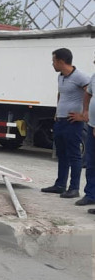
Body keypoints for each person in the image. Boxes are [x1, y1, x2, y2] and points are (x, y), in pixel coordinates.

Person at [41, 48, 91, 198]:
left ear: (61, 61)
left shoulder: (80, 77)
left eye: (54, 61)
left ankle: (74, 188)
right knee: (61, 154)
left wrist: (83, 115)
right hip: (61, 121)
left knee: (74, 155)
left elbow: (91, 93)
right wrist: (57, 112)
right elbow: (60, 93)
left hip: (72, 122)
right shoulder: (61, 77)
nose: (52, 64)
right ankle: (60, 185)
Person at [83, 58, 95, 211]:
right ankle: (91, 195)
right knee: (91, 163)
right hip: (92, 126)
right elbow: (88, 94)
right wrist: (85, 110)